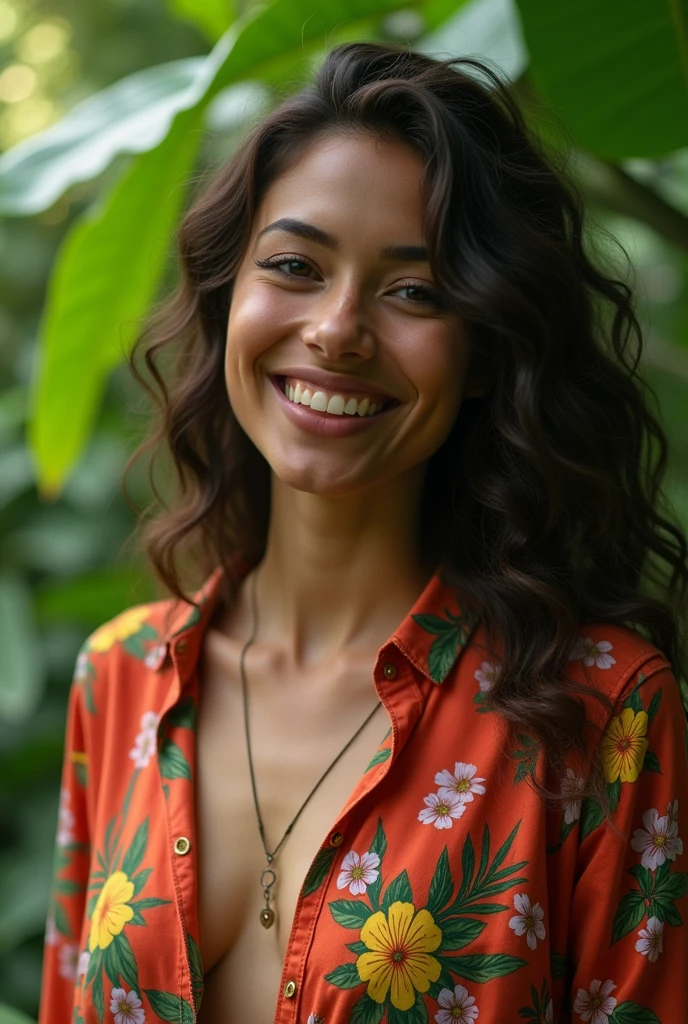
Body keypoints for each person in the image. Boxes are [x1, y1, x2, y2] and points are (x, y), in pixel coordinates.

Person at [39, 41, 688, 1024]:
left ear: (483, 351)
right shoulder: (122, 676)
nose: (338, 329)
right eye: (295, 266)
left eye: (413, 290)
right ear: (229, 303)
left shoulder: (598, 710)